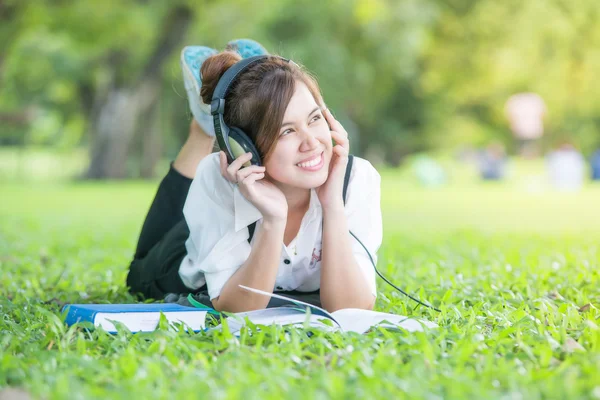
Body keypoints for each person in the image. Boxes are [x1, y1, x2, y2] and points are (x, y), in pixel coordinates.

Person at [126, 40, 382, 313]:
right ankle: (204, 129)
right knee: (138, 276)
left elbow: (352, 310)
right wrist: (272, 220)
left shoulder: (354, 178)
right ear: (243, 146)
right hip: (192, 255)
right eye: (286, 131)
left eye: (314, 119)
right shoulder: (217, 179)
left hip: (240, 217)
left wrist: (332, 204)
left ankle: (246, 87)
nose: (311, 143)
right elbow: (236, 309)